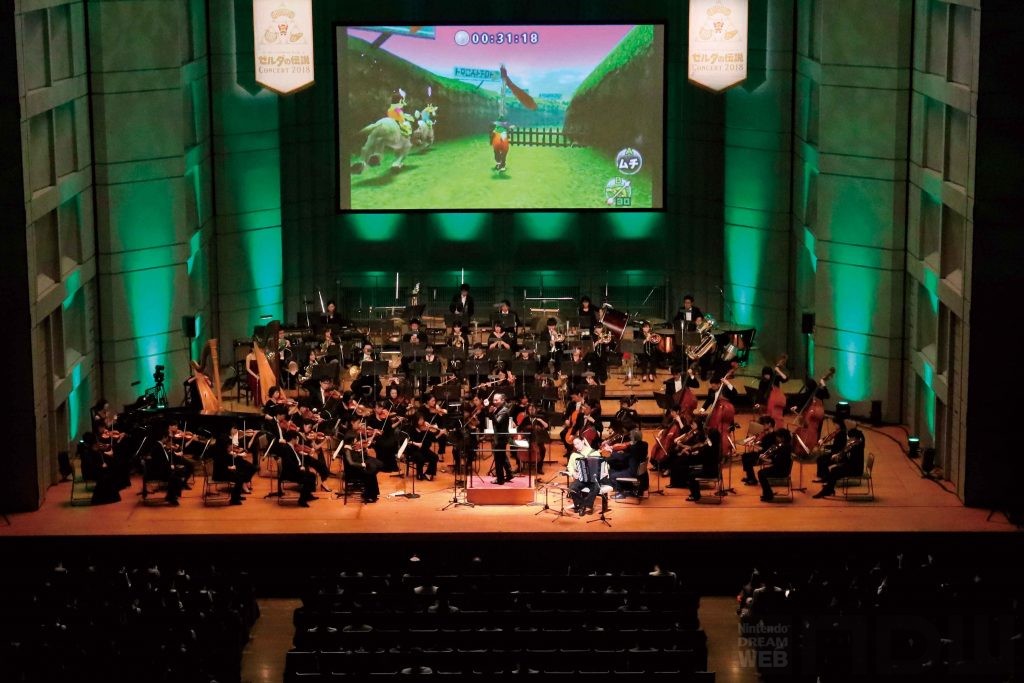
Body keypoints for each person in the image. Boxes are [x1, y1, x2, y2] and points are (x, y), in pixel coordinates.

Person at [812, 427, 865, 498]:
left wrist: (839, 459)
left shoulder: (857, 446)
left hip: (856, 469)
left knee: (835, 471)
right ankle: (829, 487)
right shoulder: (854, 444)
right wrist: (838, 455)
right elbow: (845, 452)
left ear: (854, 438)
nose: (848, 440)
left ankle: (828, 489)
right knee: (834, 469)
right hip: (851, 466)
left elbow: (849, 457)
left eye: (850, 438)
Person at [273, 430, 317, 507]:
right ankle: (302, 500)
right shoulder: (286, 448)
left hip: (294, 470)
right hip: (290, 473)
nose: (297, 439)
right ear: (293, 439)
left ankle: (308, 495)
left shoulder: (290, 446)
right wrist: (299, 468)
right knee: (308, 479)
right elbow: (289, 463)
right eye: (297, 438)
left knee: (312, 475)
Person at [212, 431, 257, 505]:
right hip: (219, 474)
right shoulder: (219, 453)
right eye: (228, 444)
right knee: (240, 477)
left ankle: (237, 496)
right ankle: (234, 499)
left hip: (223, 471)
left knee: (241, 475)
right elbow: (220, 466)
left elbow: (225, 462)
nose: (229, 446)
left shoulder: (221, 450)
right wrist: (229, 467)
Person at [686, 428, 722, 502]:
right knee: (692, 472)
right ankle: (695, 494)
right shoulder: (717, 446)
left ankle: (695, 496)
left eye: (708, 436)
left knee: (690, 475)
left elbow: (700, 457)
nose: (707, 437)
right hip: (715, 470)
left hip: (709, 472)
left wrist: (691, 453)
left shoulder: (708, 448)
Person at [610, 429, 648, 499]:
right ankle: (629, 489)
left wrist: (611, 453)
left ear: (633, 438)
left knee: (612, 476)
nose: (630, 437)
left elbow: (622, 458)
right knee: (619, 470)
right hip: (639, 471)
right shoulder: (645, 444)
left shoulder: (633, 447)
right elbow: (629, 455)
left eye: (631, 436)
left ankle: (621, 493)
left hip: (633, 472)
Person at [757, 428, 793, 502]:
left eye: (778, 437)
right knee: (762, 472)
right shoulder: (785, 445)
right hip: (780, 468)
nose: (776, 438)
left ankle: (768, 495)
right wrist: (767, 456)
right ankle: (768, 493)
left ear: (782, 438)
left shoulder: (784, 448)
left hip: (781, 471)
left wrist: (764, 459)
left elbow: (775, 461)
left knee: (761, 473)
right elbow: (775, 458)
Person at [488, 392, 514, 485]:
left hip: (501, 437)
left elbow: (497, 423)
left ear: (502, 400)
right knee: (502, 456)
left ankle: (500, 479)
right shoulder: (498, 409)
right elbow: (491, 418)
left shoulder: (504, 411)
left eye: (496, 400)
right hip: (499, 436)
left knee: (498, 459)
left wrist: (491, 413)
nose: (494, 402)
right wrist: (490, 412)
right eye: (493, 400)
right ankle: (509, 474)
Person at [406, 413, 438, 481]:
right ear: (416, 420)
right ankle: (419, 473)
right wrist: (416, 444)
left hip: (424, 449)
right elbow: (408, 441)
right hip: (413, 450)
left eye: (422, 419)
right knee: (420, 457)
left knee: (435, 457)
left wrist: (430, 429)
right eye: (420, 420)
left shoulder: (425, 428)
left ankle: (428, 473)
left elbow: (433, 438)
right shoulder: (411, 429)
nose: (422, 421)